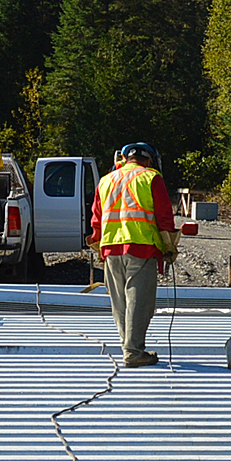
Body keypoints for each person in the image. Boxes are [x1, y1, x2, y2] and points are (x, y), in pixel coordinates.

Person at [88, 142, 179, 367]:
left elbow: (96, 220)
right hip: (141, 246)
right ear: (148, 159)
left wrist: (100, 247)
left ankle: (128, 347)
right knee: (140, 302)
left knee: (120, 303)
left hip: (110, 248)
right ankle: (133, 351)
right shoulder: (150, 177)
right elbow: (164, 216)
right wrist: (169, 246)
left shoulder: (106, 180)